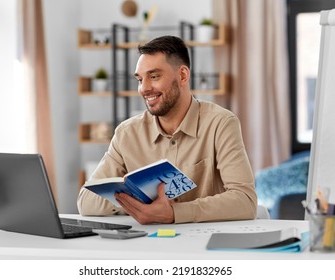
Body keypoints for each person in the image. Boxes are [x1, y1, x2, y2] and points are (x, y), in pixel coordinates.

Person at [77, 35, 257, 224]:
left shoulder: (221, 123)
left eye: (154, 77)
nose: (144, 88)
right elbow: (86, 201)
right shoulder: (126, 133)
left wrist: (175, 213)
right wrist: (136, 199)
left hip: (204, 244)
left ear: (183, 76)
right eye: (140, 79)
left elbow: (245, 200)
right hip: (148, 244)